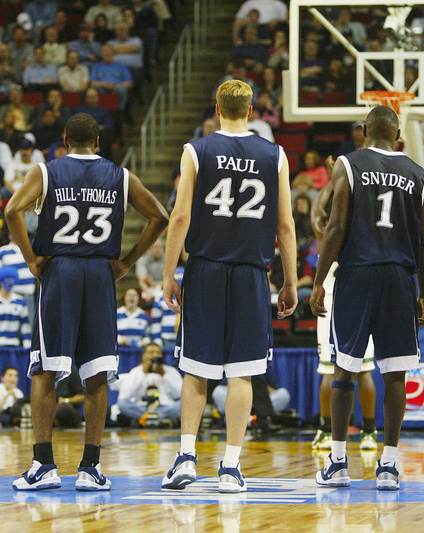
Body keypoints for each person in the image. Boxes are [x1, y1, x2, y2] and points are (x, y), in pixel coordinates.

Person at [5, 112, 168, 491]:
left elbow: (13, 210)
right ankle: (90, 467)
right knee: (97, 373)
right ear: (98, 143)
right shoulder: (121, 176)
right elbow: (159, 216)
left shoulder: (45, 172)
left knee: (45, 369)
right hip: (99, 274)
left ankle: (43, 464)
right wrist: (126, 262)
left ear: (64, 140)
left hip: (59, 272)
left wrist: (31, 259)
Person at [160, 80, 297, 493]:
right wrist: (289, 280)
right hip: (252, 274)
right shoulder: (275, 154)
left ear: (216, 108)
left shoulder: (196, 150)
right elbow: (286, 225)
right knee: (243, 373)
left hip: (205, 269)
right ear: (251, 110)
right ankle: (231, 468)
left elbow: (179, 218)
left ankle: (186, 458)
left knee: (196, 369)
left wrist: (169, 273)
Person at [311, 106, 424, 491]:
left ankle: (339, 461)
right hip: (399, 276)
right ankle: (390, 464)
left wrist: (317, 280)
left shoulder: (348, 163)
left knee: (344, 366)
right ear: (399, 136)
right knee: (395, 373)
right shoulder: (419, 174)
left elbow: (336, 225)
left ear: (363, 131)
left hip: (357, 274)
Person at [309, 179, 378, 453]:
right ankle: (370, 433)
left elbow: (316, 213)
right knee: (364, 371)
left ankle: (326, 432)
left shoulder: (328, 232)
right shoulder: (365, 231)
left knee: (329, 369)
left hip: (330, 301)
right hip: (360, 299)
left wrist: (330, 183)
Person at [116, 343, 182, 426]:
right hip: (142, 408)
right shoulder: (136, 371)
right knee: (122, 404)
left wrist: (164, 375)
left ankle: (150, 419)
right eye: (151, 352)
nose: (155, 355)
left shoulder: (170, 371)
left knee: (183, 403)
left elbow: (180, 394)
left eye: (158, 352)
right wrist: (143, 372)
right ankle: (157, 419)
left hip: (164, 408)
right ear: (144, 356)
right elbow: (126, 394)